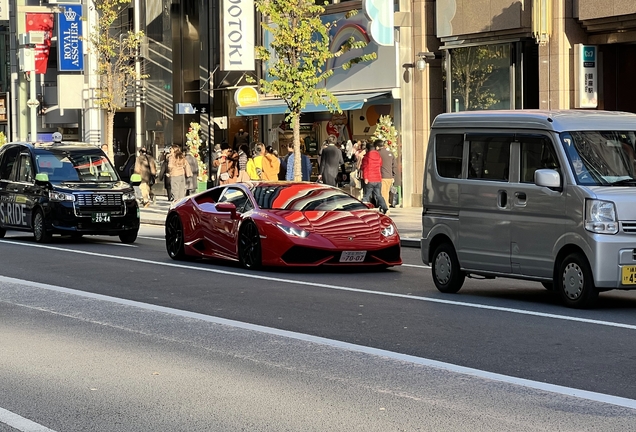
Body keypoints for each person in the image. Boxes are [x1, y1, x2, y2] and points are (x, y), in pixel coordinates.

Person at [361, 141, 389, 214]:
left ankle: (363, 209)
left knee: (366, 195)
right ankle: (385, 208)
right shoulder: (379, 156)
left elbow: (365, 168)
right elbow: (380, 165)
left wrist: (365, 178)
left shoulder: (366, 157)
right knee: (379, 195)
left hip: (369, 179)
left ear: (367, 149)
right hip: (378, 178)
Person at [377, 139, 397, 206]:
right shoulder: (391, 153)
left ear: (377, 146)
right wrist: (393, 176)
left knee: (383, 194)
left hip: (382, 176)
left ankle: (385, 209)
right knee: (386, 194)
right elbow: (394, 166)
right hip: (389, 177)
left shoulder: (378, 153)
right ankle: (386, 207)